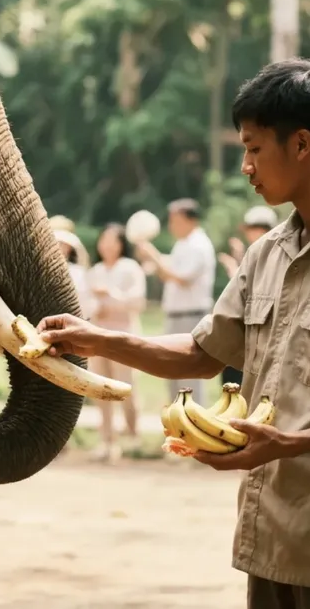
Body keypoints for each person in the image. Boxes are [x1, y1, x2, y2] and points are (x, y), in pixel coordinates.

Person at [36, 58, 310, 609]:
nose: (244, 167)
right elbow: (201, 352)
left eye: (253, 149)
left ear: (301, 145)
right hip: (271, 541)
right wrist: (97, 338)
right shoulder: (269, 253)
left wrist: (290, 443)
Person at [136, 198, 216, 405]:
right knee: (172, 370)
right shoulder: (182, 245)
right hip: (177, 315)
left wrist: (152, 255)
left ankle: (195, 423)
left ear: (190, 220)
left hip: (191, 316)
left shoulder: (199, 245)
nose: (171, 226)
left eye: (175, 220)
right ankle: (178, 422)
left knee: (189, 372)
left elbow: (181, 278)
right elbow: (167, 273)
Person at [87, 223, 147, 462]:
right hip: (98, 335)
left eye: (112, 241)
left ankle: (133, 436)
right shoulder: (95, 270)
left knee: (126, 386)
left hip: (125, 334)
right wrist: (99, 307)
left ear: (121, 244)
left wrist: (109, 295)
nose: (107, 245)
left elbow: (137, 302)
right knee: (100, 389)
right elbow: (87, 302)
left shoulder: (130, 268)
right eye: (103, 240)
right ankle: (107, 440)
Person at [218, 205, 279, 387]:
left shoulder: (275, 255)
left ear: (261, 229)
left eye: (250, 230)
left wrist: (233, 272)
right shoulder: (257, 253)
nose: (247, 235)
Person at [53, 228, 93, 317]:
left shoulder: (78, 272)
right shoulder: (44, 270)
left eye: (62, 244)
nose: (59, 247)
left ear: (69, 248)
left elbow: (84, 298)